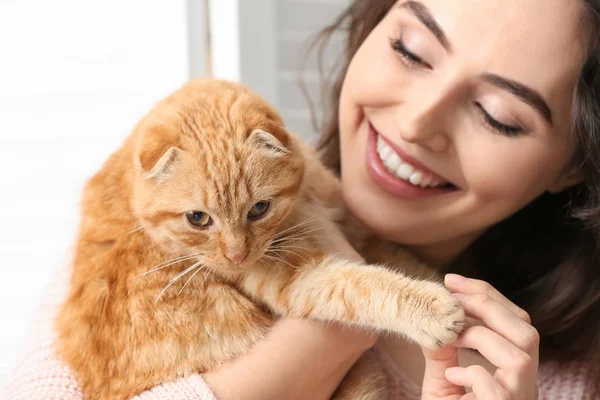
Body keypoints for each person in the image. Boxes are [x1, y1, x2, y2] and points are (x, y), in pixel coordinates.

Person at [3, 0, 600, 399]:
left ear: (573, 166)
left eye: (497, 115)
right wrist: (334, 330)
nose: (417, 124)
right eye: (412, 50)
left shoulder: (568, 378)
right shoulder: (151, 232)